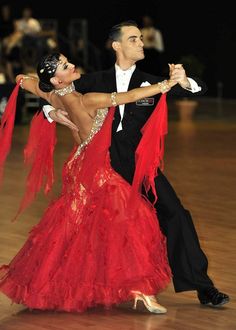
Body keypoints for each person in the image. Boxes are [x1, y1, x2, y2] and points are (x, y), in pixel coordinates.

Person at [43, 20, 229, 307]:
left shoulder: (150, 81)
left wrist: (183, 80)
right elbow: (51, 89)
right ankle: (63, 286)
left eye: (141, 38)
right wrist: (49, 111)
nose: (141, 42)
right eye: (133, 39)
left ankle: (203, 286)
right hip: (102, 164)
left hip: (137, 162)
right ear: (117, 45)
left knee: (176, 214)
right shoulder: (92, 80)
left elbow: (197, 89)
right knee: (83, 226)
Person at [0, 52, 179, 313]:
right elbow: (129, 97)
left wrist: (50, 109)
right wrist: (166, 84)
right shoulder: (87, 100)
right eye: (65, 66)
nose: (72, 65)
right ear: (57, 79)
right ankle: (140, 290)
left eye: (67, 61)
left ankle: (42, 284)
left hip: (79, 166)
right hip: (95, 172)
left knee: (74, 229)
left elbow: (22, 80)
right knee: (130, 221)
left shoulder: (52, 94)